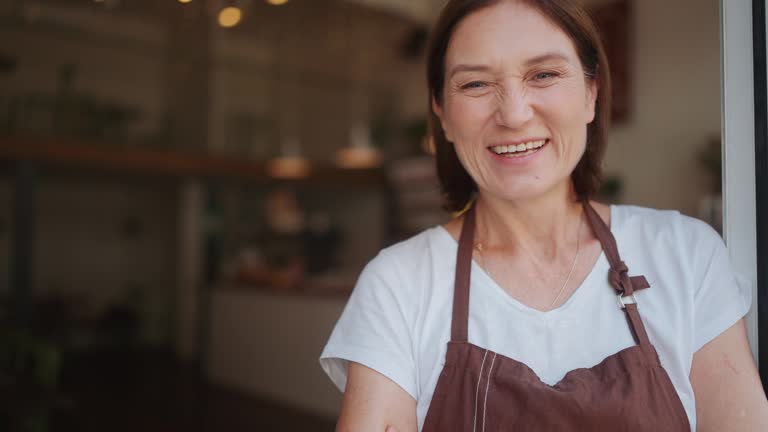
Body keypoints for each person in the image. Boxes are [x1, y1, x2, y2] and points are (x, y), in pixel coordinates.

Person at [320, 0, 768, 430]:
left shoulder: (686, 254)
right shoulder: (398, 284)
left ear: (592, 93)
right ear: (442, 111)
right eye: (475, 84)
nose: (514, 114)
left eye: (545, 74)